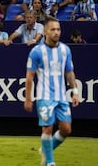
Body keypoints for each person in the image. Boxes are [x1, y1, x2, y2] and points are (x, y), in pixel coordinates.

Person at [24, 16, 80, 166]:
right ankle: (50, 162)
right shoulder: (37, 51)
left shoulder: (65, 50)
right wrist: (28, 98)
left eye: (58, 29)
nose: (56, 32)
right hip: (44, 95)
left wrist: (75, 91)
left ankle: (46, 149)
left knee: (66, 129)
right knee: (47, 128)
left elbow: (69, 72)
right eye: (53, 29)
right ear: (45, 32)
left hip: (61, 96)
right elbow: (30, 77)